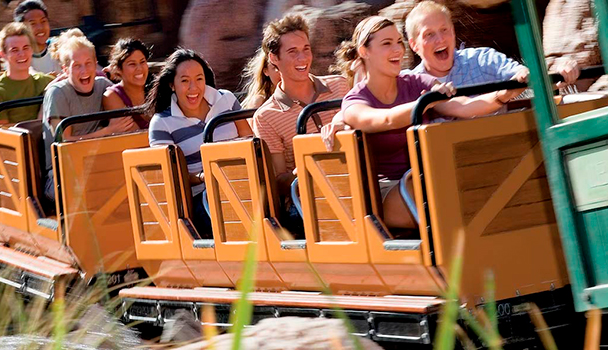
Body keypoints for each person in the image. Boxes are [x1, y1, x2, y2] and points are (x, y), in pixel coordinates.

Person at [335, 16, 521, 229]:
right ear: (364, 51)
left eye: (398, 42)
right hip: (389, 190)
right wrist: (425, 102)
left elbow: (462, 107)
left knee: (471, 176)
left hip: (430, 178)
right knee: (439, 194)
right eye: (387, 44)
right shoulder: (355, 99)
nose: (397, 50)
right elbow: (385, 120)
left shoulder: (415, 82)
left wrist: (504, 94)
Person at [252, 14, 350, 225]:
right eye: (292, 52)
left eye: (306, 49)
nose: (303, 58)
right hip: (307, 198)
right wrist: (306, 171)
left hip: (352, 180)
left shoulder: (340, 86)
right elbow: (279, 180)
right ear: (274, 58)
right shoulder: (266, 116)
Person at [147, 49, 253, 238]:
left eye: (199, 79)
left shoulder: (226, 99)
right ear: (172, 84)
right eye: (185, 81)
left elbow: (249, 140)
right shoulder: (161, 122)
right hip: (202, 194)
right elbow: (171, 176)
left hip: (241, 182)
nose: (193, 88)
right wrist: (204, 176)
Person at [405, 0, 579, 87]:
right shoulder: (409, 84)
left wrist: (557, 75)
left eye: (444, 30)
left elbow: (521, 74)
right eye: (429, 34)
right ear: (414, 45)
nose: (440, 39)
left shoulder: (481, 60)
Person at [43, 30, 134, 141]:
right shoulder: (58, 93)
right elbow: (64, 142)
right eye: (77, 66)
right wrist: (108, 131)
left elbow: (125, 123)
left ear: (95, 64)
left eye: (88, 63)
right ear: (66, 70)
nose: (84, 70)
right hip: (70, 156)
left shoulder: (103, 85)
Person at [0, 23, 55, 126]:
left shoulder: (46, 82)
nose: (22, 54)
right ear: (3, 54)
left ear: (32, 50)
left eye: (26, 48)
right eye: (14, 50)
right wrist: (44, 108)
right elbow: (3, 136)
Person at [101, 38, 152, 129]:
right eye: (132, 64)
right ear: (119, 69)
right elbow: (134, 134)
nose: (139, 68)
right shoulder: (112, 96)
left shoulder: (156, 88)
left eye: (142, 62)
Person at [14, 0, 61, 75]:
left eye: (43, 21)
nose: (40, 27)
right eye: (33, 23)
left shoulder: (60, 49)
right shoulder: (19, 58)